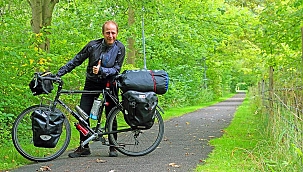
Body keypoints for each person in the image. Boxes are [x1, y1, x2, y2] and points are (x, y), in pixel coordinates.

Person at [56, 20, 125, 158]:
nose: (110, 36)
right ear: (103, 33)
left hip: (109, 84)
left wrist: (101, 70)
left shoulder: (120, 48)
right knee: (83, 113)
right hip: (92, 83)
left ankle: (113, 146)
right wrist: (59, 73)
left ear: (117, 33)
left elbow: (116, 69)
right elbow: (76, 60)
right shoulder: (93, 46)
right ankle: (84, 146)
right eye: (108, 33)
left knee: (111, 114)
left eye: (113, 33)